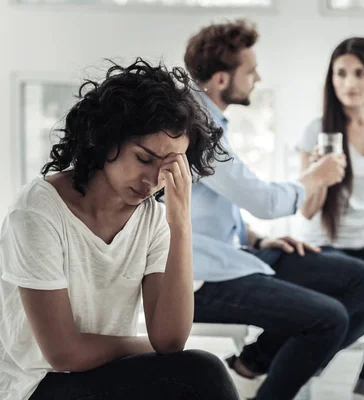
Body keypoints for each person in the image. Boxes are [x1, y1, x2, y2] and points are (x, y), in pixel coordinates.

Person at [0, 59, 238, 400]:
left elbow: (170, 340)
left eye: (169, 167)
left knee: (200, 371)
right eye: (144, 159)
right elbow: (64, 353)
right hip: (35, 386)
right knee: (201, 373)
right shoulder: (38, 211)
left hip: (104, 376)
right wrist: (145, 347)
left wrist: (180, 222)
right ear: (107, 140)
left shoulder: (153, 220)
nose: (155, 181)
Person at [183, 20, 364, 400]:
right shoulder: (196, 126)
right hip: (200, 277)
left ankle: (250, 364)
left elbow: (209, 204)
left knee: (360, 287)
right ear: (222, 80)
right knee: (334, 317)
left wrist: (257, 237)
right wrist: (314, 177)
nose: (257, 77)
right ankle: (261, 374)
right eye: (250, 70)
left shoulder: (209, 118)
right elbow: (264, 201)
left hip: (233, 252)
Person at [296, 37, 364, 400]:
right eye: (341, 73)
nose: (350, 83)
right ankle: (302, 364)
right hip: (325, 246)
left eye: (359, 73)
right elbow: (308, 211)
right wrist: (318, 175)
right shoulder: (316, 130)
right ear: (331, 78)